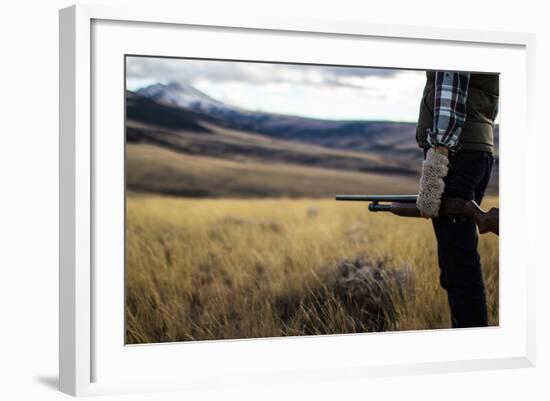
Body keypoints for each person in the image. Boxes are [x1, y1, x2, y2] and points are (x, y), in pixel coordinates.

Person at [415, 71, 499, 328]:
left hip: (455, 152)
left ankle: (471, 342)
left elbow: (451, 84)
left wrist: (437, 159)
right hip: (477, 150)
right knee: (458, 262)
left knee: (459, 267)